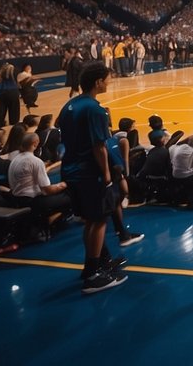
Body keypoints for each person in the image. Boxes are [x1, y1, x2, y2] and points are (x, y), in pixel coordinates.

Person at [57, 61, 127, 293]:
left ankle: (91, 266)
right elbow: (100, 146)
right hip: (90, 172)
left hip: (70, 169)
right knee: (98, 221)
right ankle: (93, 275)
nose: (110, 81)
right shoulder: (95, 109)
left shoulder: (69, 105)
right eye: (108, 78)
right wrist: (107, 176)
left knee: (89, 220)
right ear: (98, 82)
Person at [7, 132, 70, 231]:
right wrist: (63, 185)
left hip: (16, 199)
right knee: (69, 196)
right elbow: (47, 190)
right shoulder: (35, 161)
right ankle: (50, 221)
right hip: (33, 201)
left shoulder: (15, 159)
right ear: (36, 143)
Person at [0, 63, 19, 129]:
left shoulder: (1, 72)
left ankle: (0, 126)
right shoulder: (15, 71)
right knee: (14, 110)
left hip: (2, 91)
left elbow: (0, 80)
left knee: (1, 110)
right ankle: (14, 126)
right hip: (13, 91)